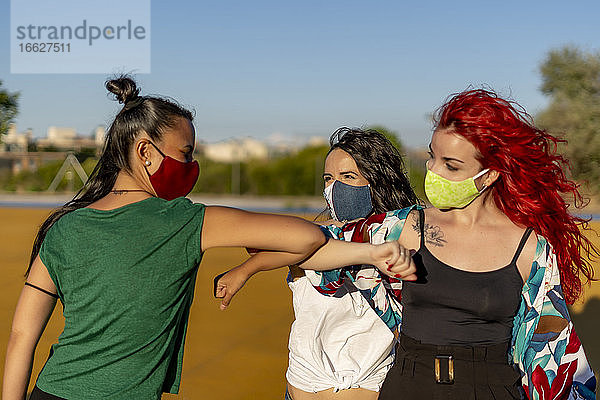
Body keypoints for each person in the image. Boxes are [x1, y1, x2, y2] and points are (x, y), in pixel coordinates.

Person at [1, 77, 415, 400]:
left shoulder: (63, 226)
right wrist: (372, 249)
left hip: (52, 390)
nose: (191, 165)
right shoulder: (183, 221)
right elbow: (305, 237)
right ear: (146, 153)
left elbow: (22, 336)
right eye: (185, 153)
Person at [327, 89, 597, 399]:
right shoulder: (404, 226)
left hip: (491, 389)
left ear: (489, 175)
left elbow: (554, 357)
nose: (433, 171)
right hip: (408, 386)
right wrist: (367, 252)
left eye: (451, 166)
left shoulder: (531, 248)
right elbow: (319, 247)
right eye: (432, 156)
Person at [215, 127, 420, 400]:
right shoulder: (310, 237)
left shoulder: (400, 233)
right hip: (296, 389)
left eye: (348, 176)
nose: (335, 187)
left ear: (377, 180)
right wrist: (245, 270)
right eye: (328, 178)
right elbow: (300, 249)